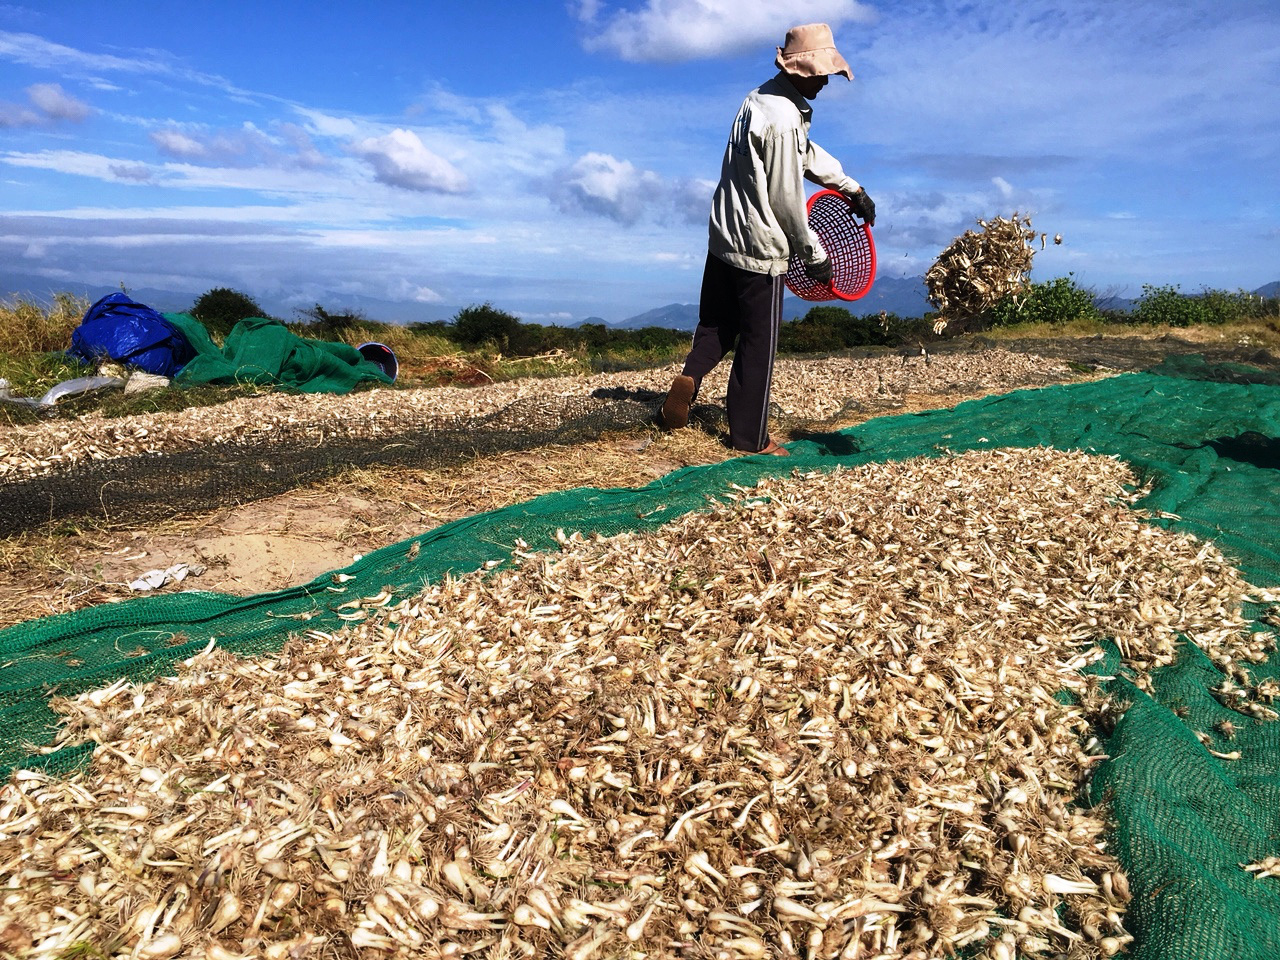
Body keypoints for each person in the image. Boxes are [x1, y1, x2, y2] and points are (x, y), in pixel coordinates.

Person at [660, 23, 875, 456]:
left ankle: (689, 379)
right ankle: (749, 438)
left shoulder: (759, 99)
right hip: (761, 246)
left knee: (717, 323)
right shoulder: (784, 120)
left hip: (724, 234)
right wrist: (812, 254)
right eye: (819, 74)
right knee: (759, 345)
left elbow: (804, 154)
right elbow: (787, 198)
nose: (825, 82)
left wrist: (850, 186)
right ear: (798, 70)